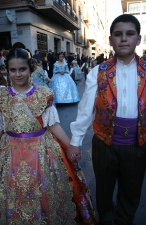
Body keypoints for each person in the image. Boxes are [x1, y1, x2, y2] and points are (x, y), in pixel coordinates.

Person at [67, 14, 146, 225]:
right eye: (118, 34)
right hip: (104, 144)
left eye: (129, 34)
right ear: (111, 39)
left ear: (138, 39)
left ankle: (125, 220)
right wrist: (75, 141)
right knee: (104, 190)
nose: (124, 39)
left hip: (137, 145)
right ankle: (106, 219)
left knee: (131, 192)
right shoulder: (98, 72)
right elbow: (86, 109)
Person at [0, 48, 98, 224]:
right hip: (10, 154)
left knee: (44, 191)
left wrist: (71, 145)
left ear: (30, 69)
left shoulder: (43, 94)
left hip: (41, 153)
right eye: (12, 70)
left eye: (22, 69)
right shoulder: (2, 96)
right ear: (6, 70)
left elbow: (53, 125)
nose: (18, 74)